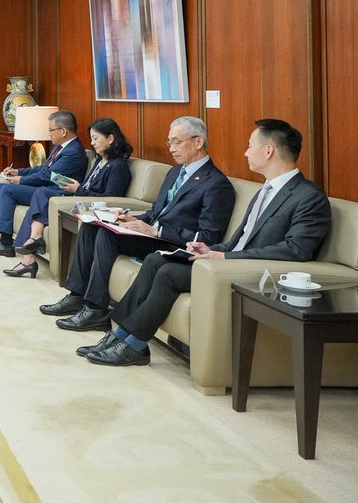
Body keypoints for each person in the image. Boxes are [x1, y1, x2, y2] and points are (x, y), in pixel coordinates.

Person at [82, 119, 331, 366]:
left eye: (249, 145)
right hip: (227, 261)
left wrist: (224, 257)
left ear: (268, 150)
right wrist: (211, 249)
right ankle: (120, 336)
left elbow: (296, 250)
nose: (245, 152)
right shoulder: (264, 190)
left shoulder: (308, 197)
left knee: (168, 272)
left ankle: (134, 345)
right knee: (156, 259)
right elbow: (240, 241)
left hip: (251, 271)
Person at [41, 115, 235, 332]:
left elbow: (208, 237)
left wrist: (156, 230)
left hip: (171, 246)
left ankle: (96, 310)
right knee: (93, 225)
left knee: (107, 236)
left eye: (177, 142)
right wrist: (133, 218)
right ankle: (77, 296)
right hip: (152, 236)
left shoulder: (217, 184)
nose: (171, 148)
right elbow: (156, 211)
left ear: (198, 142)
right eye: (169, 142)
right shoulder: (174, 172)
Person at [3, 118, 134, 278]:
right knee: (42, 194)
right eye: (91, 138)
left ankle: (30, 251)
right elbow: (87, 186)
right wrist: (76, 187)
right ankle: (33, 244)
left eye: (95, 138)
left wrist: (77, 189)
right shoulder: (101, 161)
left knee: (43, 194)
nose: (92, 143)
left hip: (91, 206)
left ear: (111, 138)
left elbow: (111, 199)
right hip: (79, 197)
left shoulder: (118, 166)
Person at [0, 109, 88, 257]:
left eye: (51, 130)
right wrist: (19, 172)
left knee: (7, 190)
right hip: (44, 188)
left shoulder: (73, 151)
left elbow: (48, 176)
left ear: (64, 131)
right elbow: (43, 168)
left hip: (53, 193)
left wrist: (20, 180)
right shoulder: (60, 147)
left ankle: (6, 243)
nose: (49, 133)